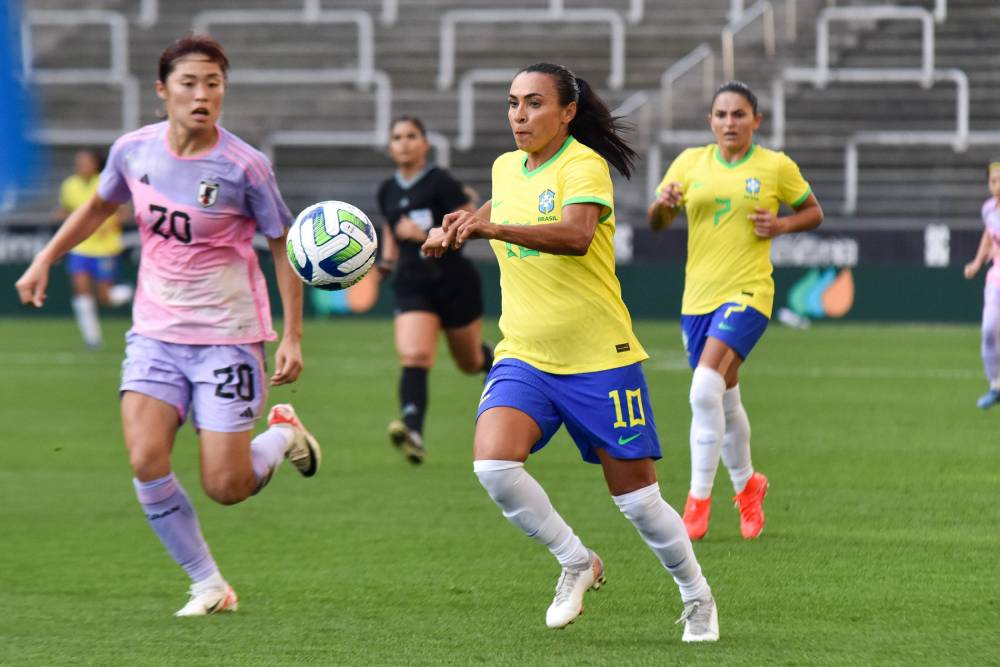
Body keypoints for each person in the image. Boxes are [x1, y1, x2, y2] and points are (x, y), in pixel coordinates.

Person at [14, 35, 321, 617]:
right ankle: (208, 584)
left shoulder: (245, 166)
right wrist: (45, 258)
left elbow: (283, 247)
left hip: (228, 337)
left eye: (214, 84)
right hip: (154, 333)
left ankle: (284, 435)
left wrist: (294, 335)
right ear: (163, 92)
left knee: (225, 487)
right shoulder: (133, 151)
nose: (203, 94)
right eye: (190, 83)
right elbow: (100, 206)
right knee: (145, 458)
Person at [423, 62, 718, 642]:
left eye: (533, 103)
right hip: (526, 354)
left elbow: (576, 235)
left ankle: (696, 596)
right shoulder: (506, 167)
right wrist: (459, 226)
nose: (519, 115)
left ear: (567, 112)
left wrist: (491, 231)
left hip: (599, 360)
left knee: (638, 502)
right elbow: (496, 212)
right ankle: (577, 560)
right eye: (512, 103)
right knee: (494, 465)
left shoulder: (584, 165)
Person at [647, 81, 824, 542]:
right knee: (724, 398)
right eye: (722, 115)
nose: (730, 122)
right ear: (711, 122)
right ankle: (748, 486)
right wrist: (663, 207)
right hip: (697, 299)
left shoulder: (774, 166)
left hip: (748, 292)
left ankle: (697, 501)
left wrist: (782, 223)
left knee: (703, 388)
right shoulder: (689, 163)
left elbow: (813, 211)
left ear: (755, 121)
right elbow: (657, 221)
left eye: (739, 114)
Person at [376, 115, 493, 464]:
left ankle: (498, 363)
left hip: (454, 281)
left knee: (470, 362)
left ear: (424, 144)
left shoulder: (439, 180)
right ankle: (412, 430)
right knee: (414, 356)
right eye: (397, 137)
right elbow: (391, 226)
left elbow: (472, 216)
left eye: (412, 136)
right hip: (413, 283)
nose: (404, 142)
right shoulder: (387, 189)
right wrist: (386, 261)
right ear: (390, 146)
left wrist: (427, 234)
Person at [56, 148, 134, 349]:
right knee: (81, 290)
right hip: (80, 245)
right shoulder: (69, 185)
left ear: (95, 164)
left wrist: (106, 224)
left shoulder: (105, 182)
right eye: (79, 162)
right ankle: (92, 339)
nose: (82, 166)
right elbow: (66, 211)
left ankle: (130, 292)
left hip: (104, 248)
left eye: (86, 162)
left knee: (105, 298)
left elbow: (123, 213)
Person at [963, 161, 1000, 409]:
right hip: (996, 277)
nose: (997, 185)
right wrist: (977, 263)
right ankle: (995, 385)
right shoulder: (988, 209)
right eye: (993, 180)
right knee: (988, 330)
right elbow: (989, 234)